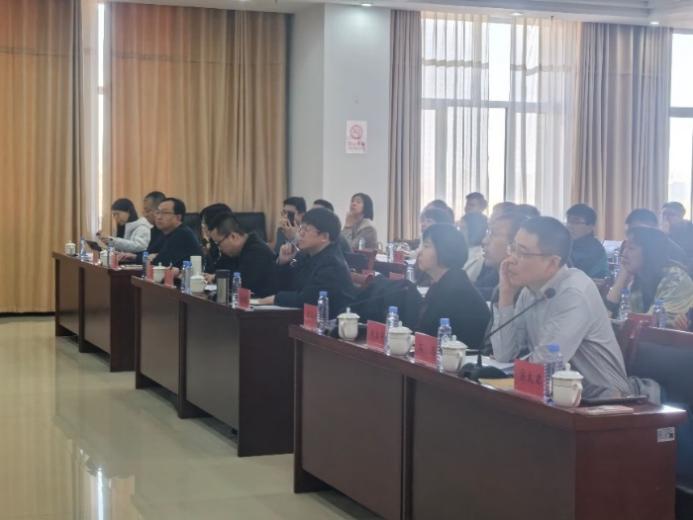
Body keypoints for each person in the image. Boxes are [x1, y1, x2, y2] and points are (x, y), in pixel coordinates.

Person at [491, 217, 631, 399]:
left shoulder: (574, 293)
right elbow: (504, 355)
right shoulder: (529, 290)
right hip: (559, 394)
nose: (511, 259)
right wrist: (506, 295)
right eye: (513, 249)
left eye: (522, 253)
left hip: (606, 400)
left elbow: (544, 365)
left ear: (552, 263)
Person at [258, 208, 356, 316]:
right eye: (301, 228)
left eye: (306, 230)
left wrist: (275, 299)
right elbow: (287, 286)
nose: (300, 233)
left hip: (331, 322)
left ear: (324, 237)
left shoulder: (332, 264)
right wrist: (283, 263)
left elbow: (308, 298)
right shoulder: (304, 255)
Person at [416, 224, 490, 350]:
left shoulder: (456, 290)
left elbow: (428, 332)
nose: (420, 252)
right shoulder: (445, 282)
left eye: (426, 246)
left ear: (444, 250)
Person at [606, 226, 693, 328]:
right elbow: (606, 317)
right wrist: (621, 278)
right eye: (625, 247)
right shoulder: (638, 279)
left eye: (631, 248)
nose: (624, 253)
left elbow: (650, 323)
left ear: (649, 253)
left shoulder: (676, 278)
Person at [206, 213, 276, 297]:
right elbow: (219, 269)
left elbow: (243, 282)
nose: (219, 248)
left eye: (218, 243)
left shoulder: (257, 251)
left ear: (233, 236)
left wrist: (215, 278)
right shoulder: (236, 251)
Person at [475, 213, 527, 301]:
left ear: (515, 245)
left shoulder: (529, 293)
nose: (484, 241)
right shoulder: (496, 275)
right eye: (488, 233)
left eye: (493, 234)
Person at [147, 197, 203, 268]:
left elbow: (160, 262)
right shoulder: (163, 233)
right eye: (158, 212)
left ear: (178, 217)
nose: (159, 217)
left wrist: (154, 257)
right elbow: (148, 254)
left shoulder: (182, 234)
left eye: (165, 213)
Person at [565, 204, 609, 279]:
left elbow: (599, 279)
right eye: (568, 221)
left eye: (576, 222)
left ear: (590, 227)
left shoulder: (596, 250)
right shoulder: (562, 244)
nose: (569, 225)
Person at [199, 203, 233, 273]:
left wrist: (214, 276)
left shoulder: (229, 244)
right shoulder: (213, 243)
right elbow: (210, 270)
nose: (203, 228)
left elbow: (231, 272)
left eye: (204, 223)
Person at [661, 201, 693, 273]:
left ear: (681, 215)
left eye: (671, 214)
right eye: (664, 214)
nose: (666, 218)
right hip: (668, 268)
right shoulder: (662, 232)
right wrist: (664, 235)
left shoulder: (690, 230)